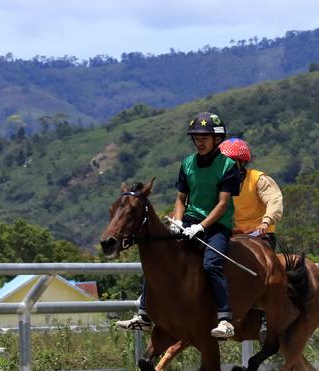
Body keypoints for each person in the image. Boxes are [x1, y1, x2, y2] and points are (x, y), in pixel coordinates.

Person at [116, 111, 242, 338]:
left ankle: (225, 318)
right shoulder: (187, 164)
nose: (199, 142)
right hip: (189, 221)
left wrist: (201, 227)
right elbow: (180, 199)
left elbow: (223, 204)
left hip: (216, 226)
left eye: (204, 138)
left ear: (217, 140)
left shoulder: (228, 166)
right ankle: (144, 315)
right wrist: (177, 221)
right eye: (196, 138)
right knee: (160, 258)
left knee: (212, 264)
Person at [218, 137, 283, 249]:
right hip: (236, 236)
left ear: (242, 162)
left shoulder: (258, 179)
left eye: (231, 161)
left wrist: (265, 222)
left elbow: (274, 201)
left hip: (261, 235)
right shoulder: (220, 185)